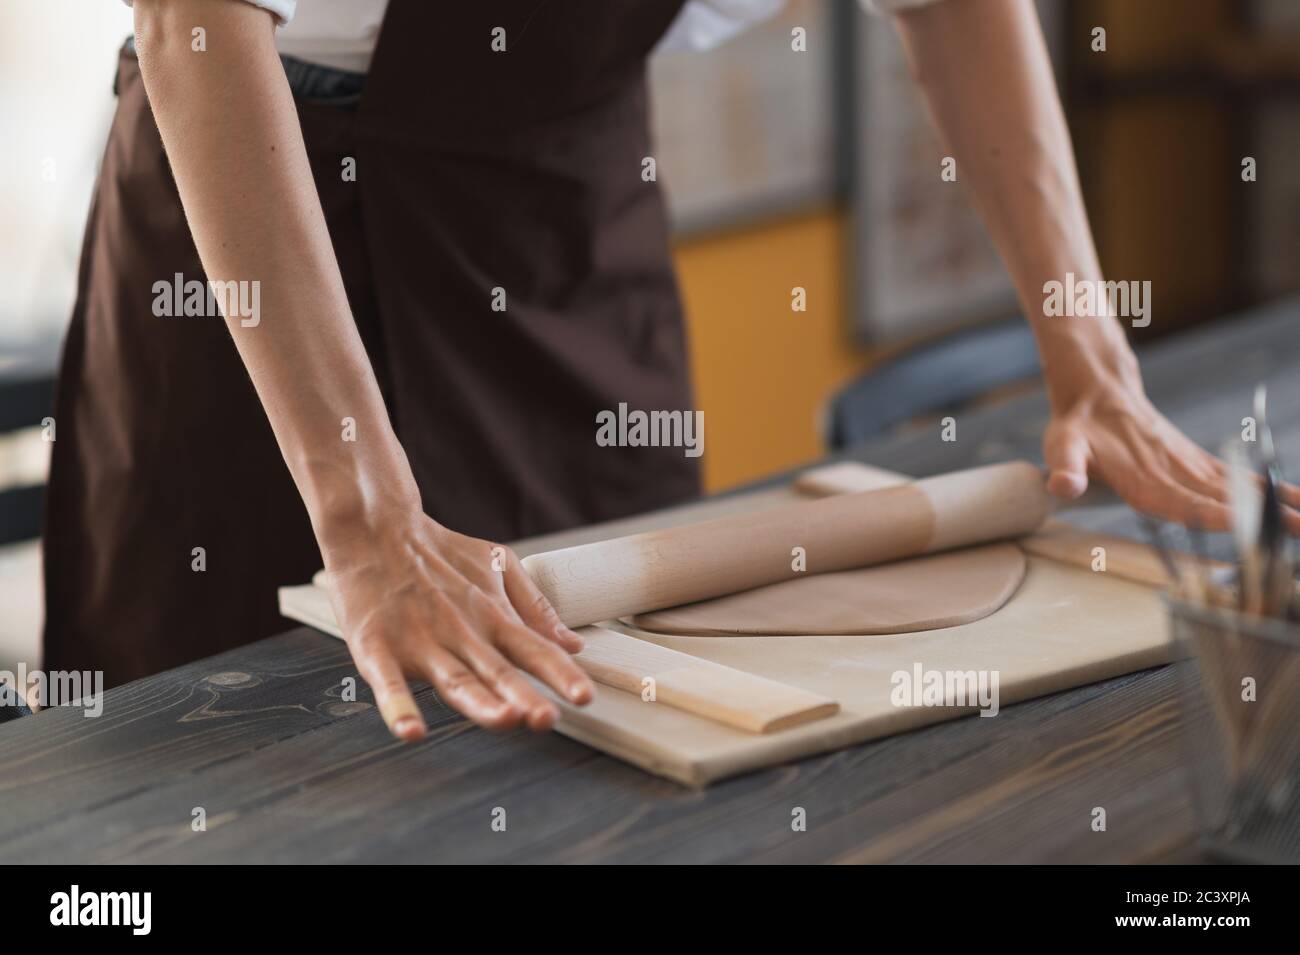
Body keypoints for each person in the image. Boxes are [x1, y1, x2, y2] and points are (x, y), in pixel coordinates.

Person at [44, 0, 1279, 743]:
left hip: (563, 208)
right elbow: (194, 20)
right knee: (253, 750)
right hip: (270, 221)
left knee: (620, 718)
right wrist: (366, 512)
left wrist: (1091, 359)